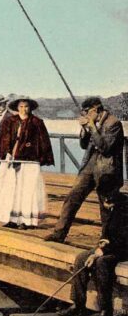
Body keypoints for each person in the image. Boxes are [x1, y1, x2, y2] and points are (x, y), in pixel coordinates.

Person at [45, 97, 125, 243]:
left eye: (87, 112)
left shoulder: (114, 123)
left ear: (96, 110)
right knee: (73, 197)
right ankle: (59, 233)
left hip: (107, 168)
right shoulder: (92, 121)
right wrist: (84, 128)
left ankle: (107, 240)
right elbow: (83, 145)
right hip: (91, 163)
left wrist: (92, 127)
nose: (86, 115)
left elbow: (105, 148)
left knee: (106, 206)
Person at [57, 184, 127, 316]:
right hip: (109, 246)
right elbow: (107, 233)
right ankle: (78, 303)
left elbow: (123, 240)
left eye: (105, 202)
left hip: (122, 250)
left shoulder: (125, 211)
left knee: (102, 263)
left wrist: (100, 252)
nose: (104, 205)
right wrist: (101, 244)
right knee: (81, 258)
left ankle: (105, 309)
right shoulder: (112, 208)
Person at [0, 98, 54, 229]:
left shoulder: (37, 122)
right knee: (11, 189)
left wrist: (39, 157)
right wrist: (7, 152)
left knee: (27, 190)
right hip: (12, 160)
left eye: (26, 106)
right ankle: (11, 219)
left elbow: (43, 142)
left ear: (30, 108)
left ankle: (26, 221)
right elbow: (4, 139)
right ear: (17, 108)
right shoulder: (10, 121)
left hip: (29, 161)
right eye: (21, 106)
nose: (24, 109)